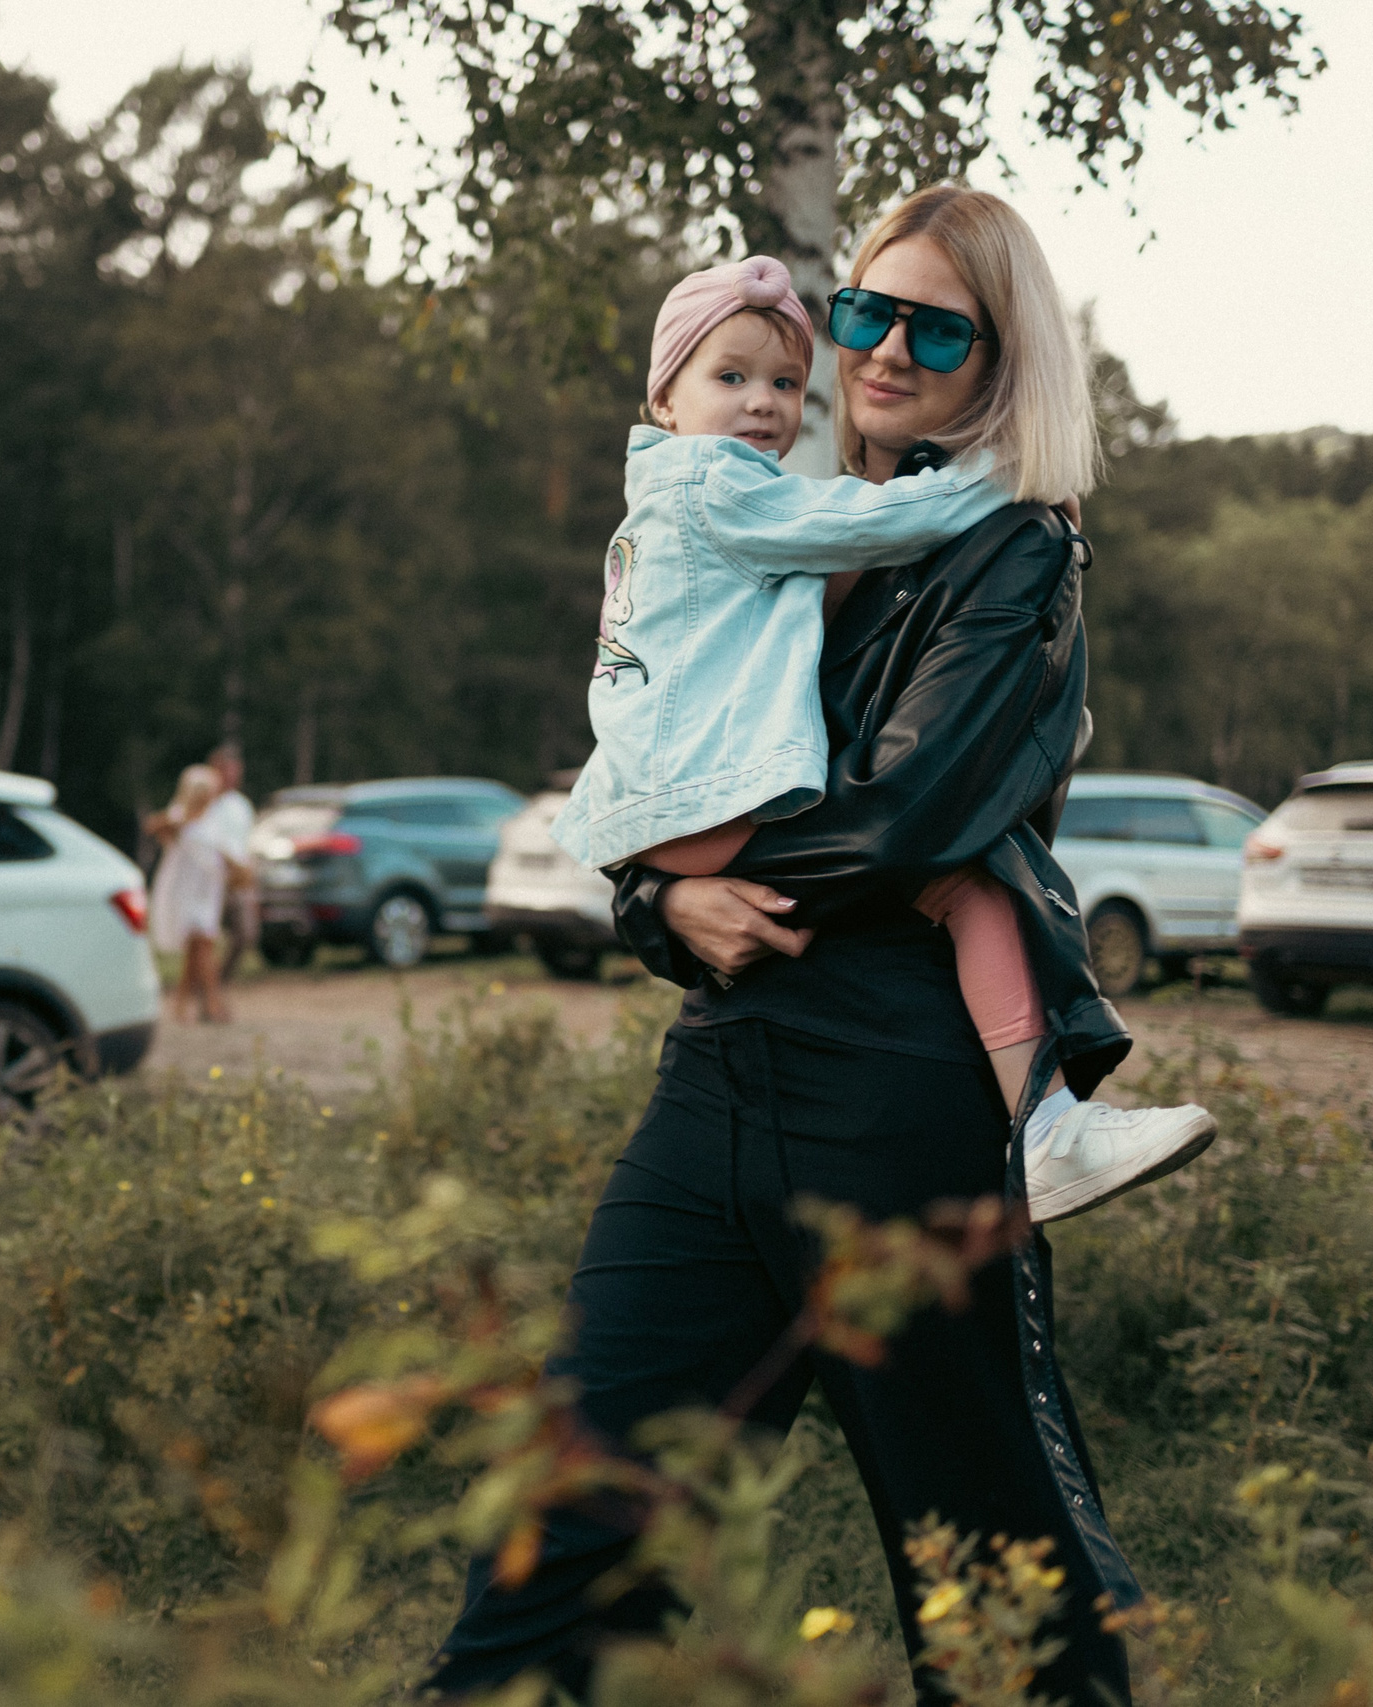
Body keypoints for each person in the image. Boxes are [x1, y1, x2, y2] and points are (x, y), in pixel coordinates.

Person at [428, 187, 1164, 1704]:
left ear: (1002, 359)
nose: (885, 348)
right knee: (577, 1523)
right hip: (723, 1075)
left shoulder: (1012, 553)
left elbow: (909, 822)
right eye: (864, 312)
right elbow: (667, 761)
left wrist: (693, 885)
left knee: (997, 1586)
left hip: (904, 1104)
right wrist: (658, 902)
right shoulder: (768, 520)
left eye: (937, 326)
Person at [551, 253, 1213, 1222]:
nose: (763, 405)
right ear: (663, 398)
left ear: (1003, 357)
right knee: (974, 884)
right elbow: (887, 528)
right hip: (730, 945)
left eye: (782, 381)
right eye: (728, 378)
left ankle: (1050, 1126)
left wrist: (654, 897)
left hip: (681, 852)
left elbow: (897, 785)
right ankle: (1051, 1124)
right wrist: (1004, 474)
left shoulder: (680, 502)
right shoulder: (722, 489)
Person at [145, 763, 234, 1023]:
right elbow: (153, 827)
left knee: (197, 951)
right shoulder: (179, 816)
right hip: (185, 891)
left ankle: (181, 1006)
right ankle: (214, 1005)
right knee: (203, 946)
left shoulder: (213, 818)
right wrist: (179, 821)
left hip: (208, 891)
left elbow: (221, 852)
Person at [196, 741, 257, 973]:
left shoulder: (241, 806)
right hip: (210, 879)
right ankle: (207, 993)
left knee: (245, 934)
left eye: (234, 770)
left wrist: (250, 884)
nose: (231, 776)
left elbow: (247, 846)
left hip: (236, 881)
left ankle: (219, 982)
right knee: (204, 938)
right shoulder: (204, 804)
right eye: (226, 770)